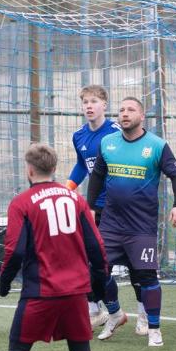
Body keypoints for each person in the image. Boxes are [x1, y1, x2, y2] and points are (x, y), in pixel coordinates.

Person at [0, 143, 108, 351]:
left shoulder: (21, 203)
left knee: (18, 347)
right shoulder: (75, 199)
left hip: (40, 291)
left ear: (29, 170)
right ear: (55, 168)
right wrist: (99, 279)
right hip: (76, 292)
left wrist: (4, 283)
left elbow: (15, 251)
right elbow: (96, 246)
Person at [87, 96, 176, 347]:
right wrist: (90, 207)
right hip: (110, 224)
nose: (125, 113)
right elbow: (97, 176)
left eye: (131, 110)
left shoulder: (157, 145)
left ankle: (154, 329)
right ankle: (115, 313)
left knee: (146, 277)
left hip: (141, 227)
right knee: (96, 271)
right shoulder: (108, 143)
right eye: (121, 110)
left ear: (142, 116)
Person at [64, 84, 120, 329]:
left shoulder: (117, 132)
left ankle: (144, 317)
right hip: (94, 207)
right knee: (89, 260)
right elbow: (81, 165)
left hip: (120, 206)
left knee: (132, 265)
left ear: (104, 105)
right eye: (85, 102)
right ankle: (96, 310)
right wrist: (68, 188)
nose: (89, 106)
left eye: (94, 101)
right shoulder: (79, 136)